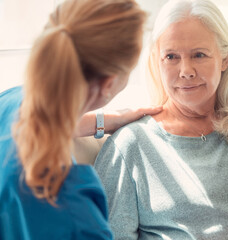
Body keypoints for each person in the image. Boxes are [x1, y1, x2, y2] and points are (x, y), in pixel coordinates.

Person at [94, 0, 228, 239]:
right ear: (156, 61)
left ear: (225, 59)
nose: (186, 70)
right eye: (171, 56)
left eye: (199, 55)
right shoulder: (130, 145)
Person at [0, 0, 163, 239]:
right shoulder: (76, 213)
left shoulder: (11, 100)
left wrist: (103, 121)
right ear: (109, 83)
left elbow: (44, 120)